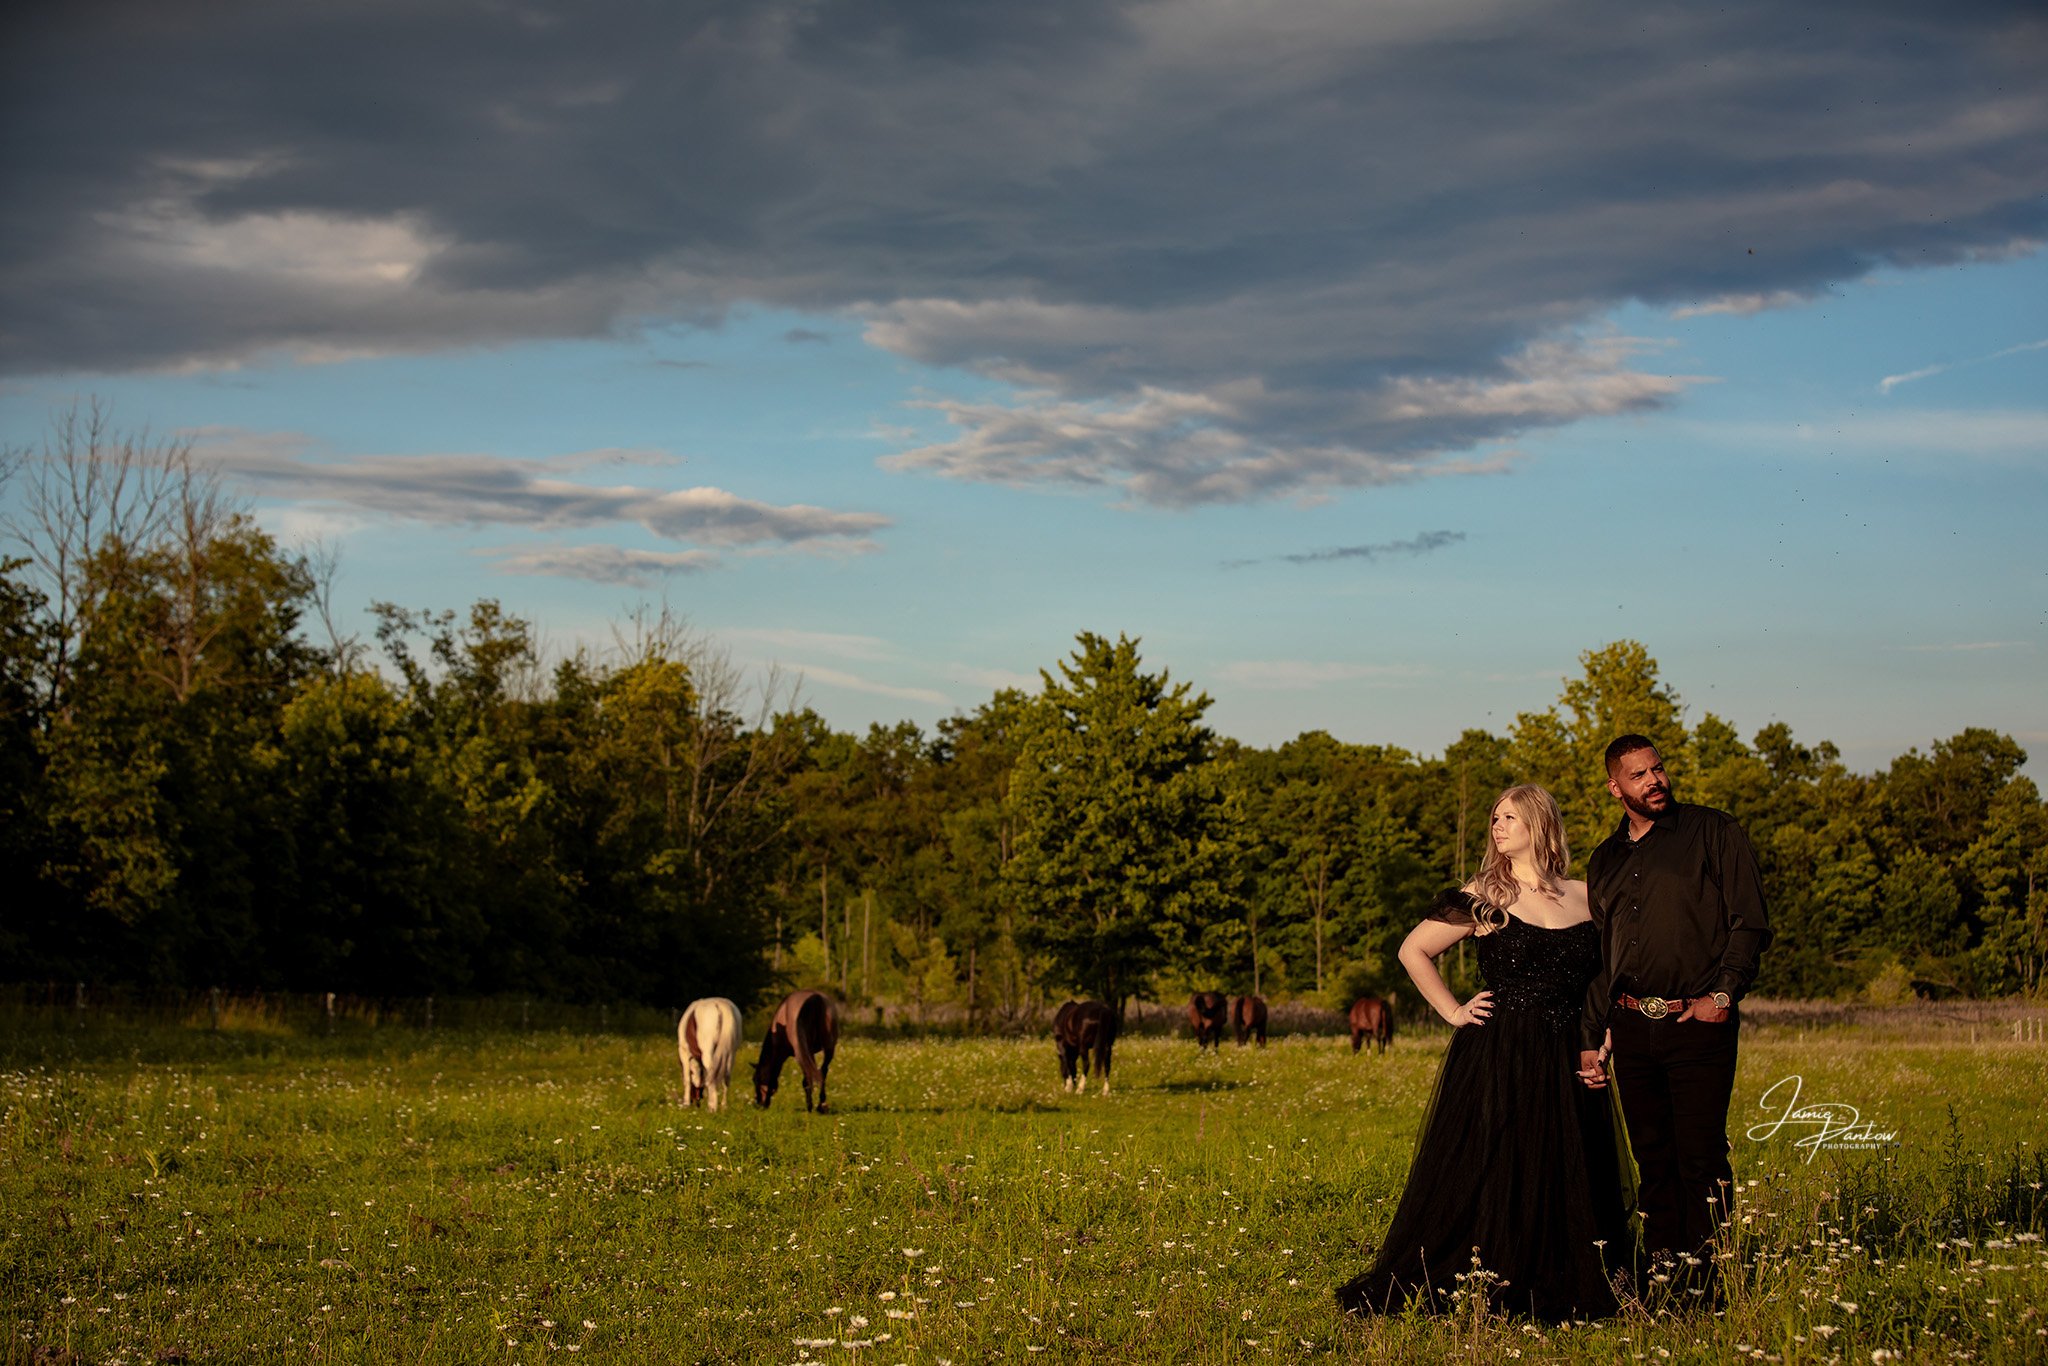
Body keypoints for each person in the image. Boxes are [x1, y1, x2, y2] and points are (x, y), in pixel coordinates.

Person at [1337, 784, 1630, 1323]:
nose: (1497, 826)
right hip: (1500, 1046)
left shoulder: (1586, 894)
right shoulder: (1483, 895)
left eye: (1509, 817)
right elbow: (1413, 950)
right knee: (1499, 1157)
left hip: (1570, 1046)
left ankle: (1563, 1272)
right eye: (1494, 818)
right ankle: (1492, 1269)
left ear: (1540, 824)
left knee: (1567, 1159)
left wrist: (1604, 1035)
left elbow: (1605, 978)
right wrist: (1451, 1010)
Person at [1577, 734, 1772, 1301]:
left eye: (1657, 769)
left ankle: (1711, 1288)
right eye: (1638, 775)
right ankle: (1665, 1282)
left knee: (1700, 1156)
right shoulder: (1606, 859)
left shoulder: (1714, 832)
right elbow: (1600, 956)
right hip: (1633, 1026)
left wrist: (1724, 994)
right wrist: (1592, 1035)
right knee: (1653, 1159)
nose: (1654, 781)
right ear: (1616, 788)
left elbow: (1751, 921)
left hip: (1698, 1021)